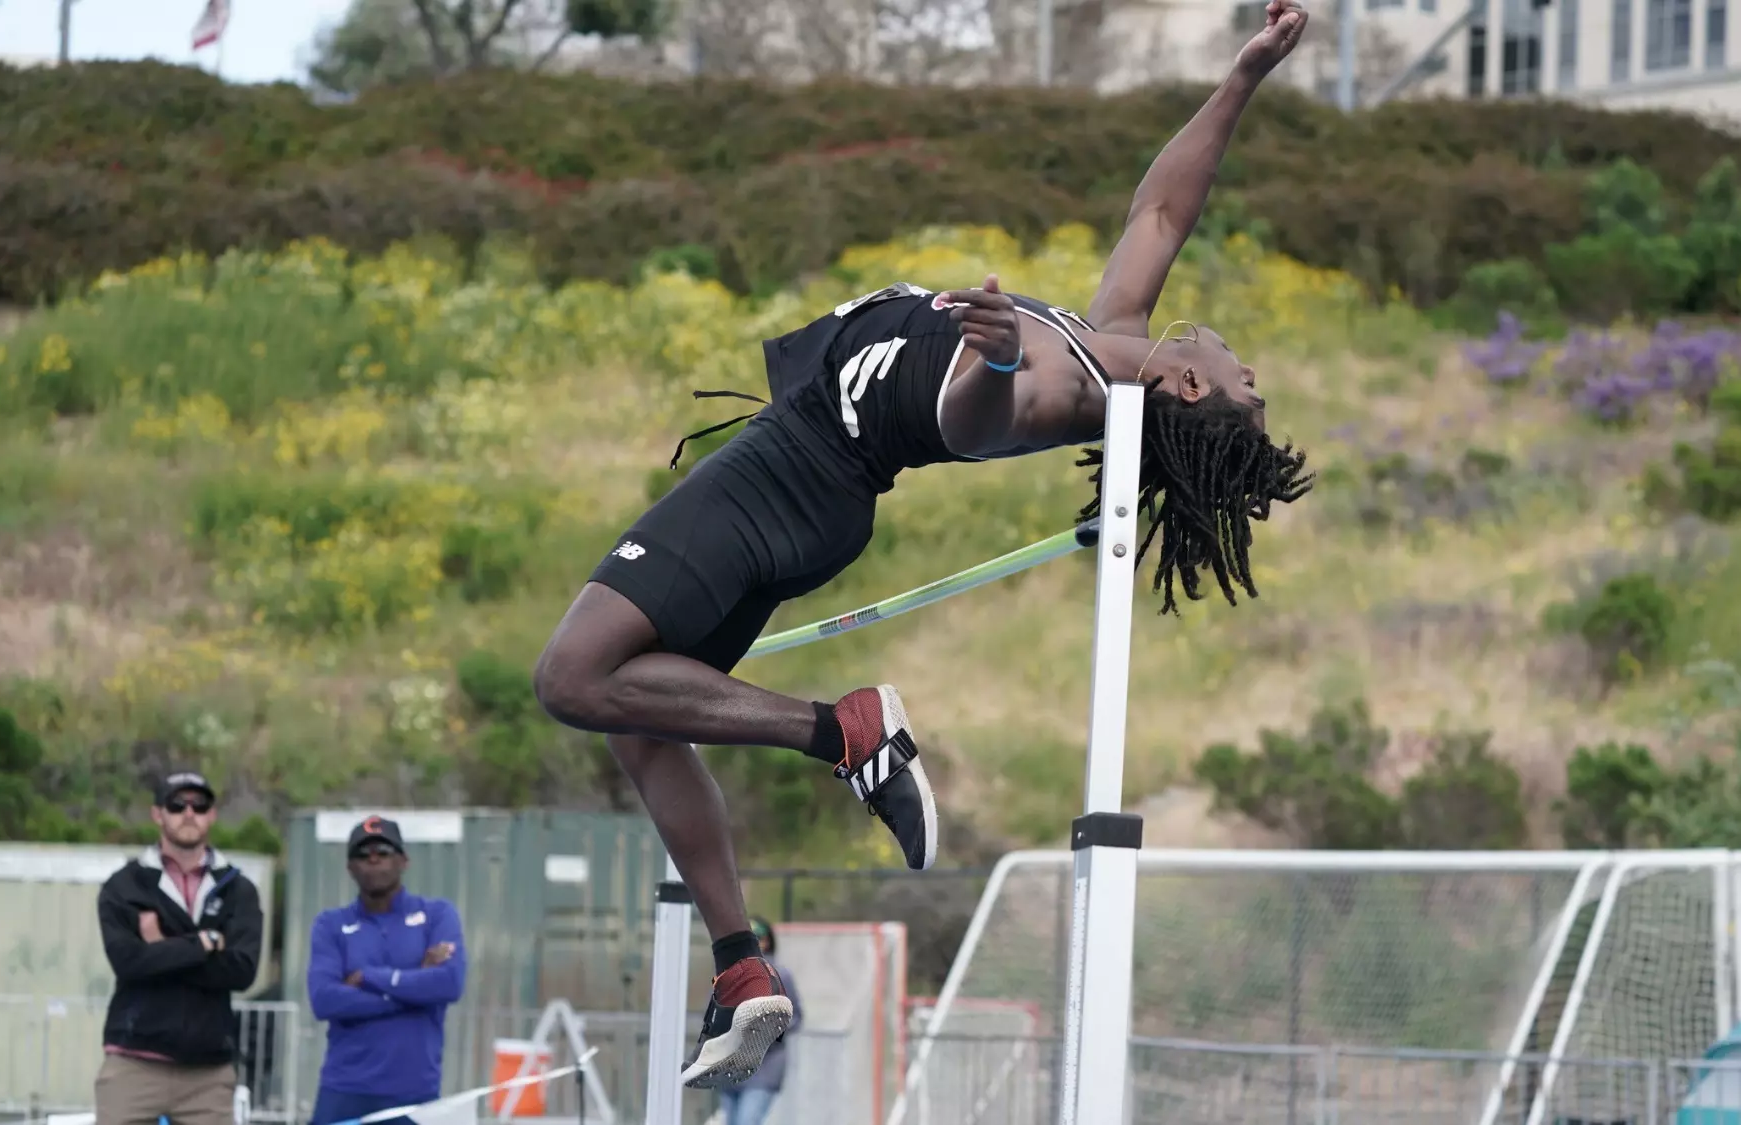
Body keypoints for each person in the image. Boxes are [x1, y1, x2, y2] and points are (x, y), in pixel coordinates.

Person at [533, 0, 1313, 1090]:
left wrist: (985, 365)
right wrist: (1240, 80)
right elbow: (1159, 210)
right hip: (801, 482)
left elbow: (967, 427)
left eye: (1248, 390)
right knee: (644, 708)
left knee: (572, 675)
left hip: (792, 475)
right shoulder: (1109, 346)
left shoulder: (1053, 389)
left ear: (1189, 389)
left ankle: (844, 732)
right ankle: (743, 967)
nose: (1252, 372)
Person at [95, 769, 265, 1125]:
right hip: (133, 1064)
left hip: (209, 1073)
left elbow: (241, 971)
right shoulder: (125, 885)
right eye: (177, 804)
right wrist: (202, 943)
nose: (189, 813)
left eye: (200, 805)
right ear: (158, 814)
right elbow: (128, 963)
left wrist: (161, 948)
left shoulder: (240, 889)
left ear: (212, 815)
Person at [304, 816, 467, 1125]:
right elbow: (324, 999)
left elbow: (449, 982)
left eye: (383, 851)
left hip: (414, 1092)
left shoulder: (437, 915)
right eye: (363, 855)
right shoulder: (330, 924)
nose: (374, 859)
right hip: (345, 1090)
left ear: (404, 861)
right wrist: (412, 987)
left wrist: (369, 977)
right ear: (350, 867)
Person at [714, 918, 803, 1125]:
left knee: (747, 1121)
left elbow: (796, 1017)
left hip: (764, 1069)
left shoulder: (781, 976)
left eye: (759, 939)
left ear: (767, 942)